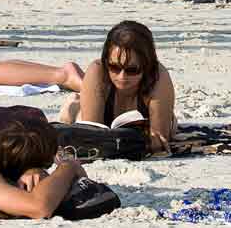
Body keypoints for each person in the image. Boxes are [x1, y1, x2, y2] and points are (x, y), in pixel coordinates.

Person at [58, 20, 175, 155]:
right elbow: (91, 137)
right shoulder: (98, 71)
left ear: (147, 66)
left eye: (132, 69)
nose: (122, 76)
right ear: (106, 61)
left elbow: (160, 139)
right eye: (114, 67)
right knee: (72, 115)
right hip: (100, 121)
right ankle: (77, 100)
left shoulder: (158, 76)